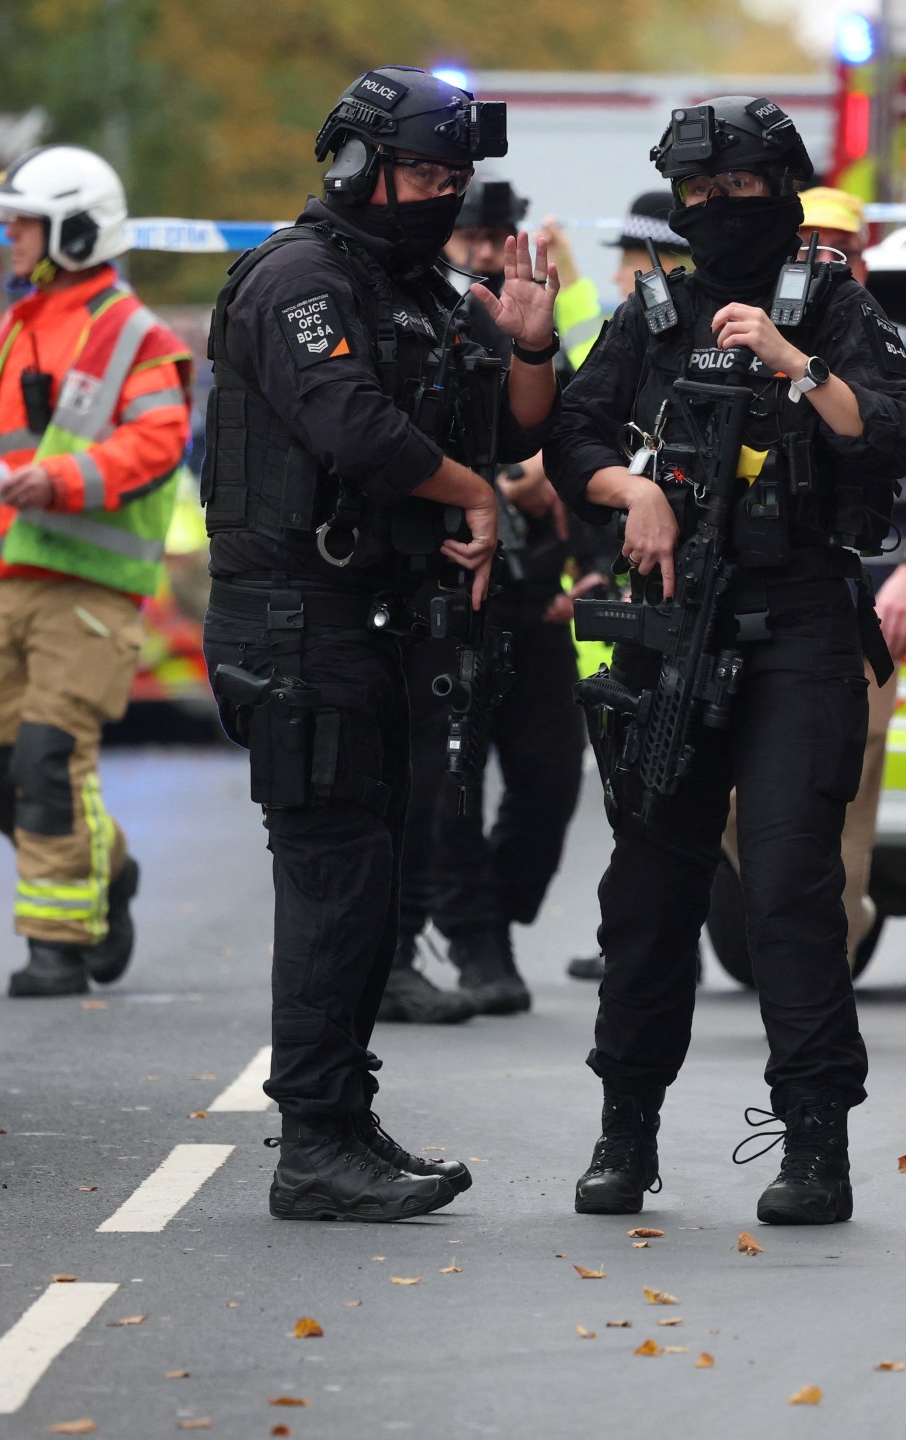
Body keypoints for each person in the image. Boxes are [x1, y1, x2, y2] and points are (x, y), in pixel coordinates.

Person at [544, 95, 906, 1224]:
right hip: (671, 624)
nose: (715, 212)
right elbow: (571, 433)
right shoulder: (653, 315)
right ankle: (626, 1134)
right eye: (696, 195)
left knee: (792, 890)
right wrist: (634, 492)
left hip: (800, 625)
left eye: (737, 193)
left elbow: (899, 431)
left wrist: (793, 361)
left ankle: (815, 1145)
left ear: (786, 192)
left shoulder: (836, 308)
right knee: (649, 894)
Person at [198, 67, 557, 1221]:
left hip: (379, 621)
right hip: (294, 615)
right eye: (424, 174)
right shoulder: (301, 281)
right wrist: (477, 494)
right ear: (357, 165)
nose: (441, 198)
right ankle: (313, 1145)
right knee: (333, 881)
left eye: (456, 180)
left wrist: (534, 346)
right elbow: (353, 428)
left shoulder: (425, 292)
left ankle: (344, 1120)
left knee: (369, 881)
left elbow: (510, 420)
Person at [0, 145, 189, 999]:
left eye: (22, 222)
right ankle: (113, 872)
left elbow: (155, 442)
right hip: (9, 579)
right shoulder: (25, 319)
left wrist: (57, 480)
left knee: (50, 758)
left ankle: (57, 941)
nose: (9, 236)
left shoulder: (135, 335)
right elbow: (7, 446)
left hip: (89, 590)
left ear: (75, 231)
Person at [719, 185, 906, 970]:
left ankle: (820, 960)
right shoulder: (732, 336)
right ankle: (821, 919)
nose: (814, 258)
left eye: (835, 245)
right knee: (729, 792)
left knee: (844, 797)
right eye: (802, 240)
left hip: (862, 603)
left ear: (863, 258)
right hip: (746, 598)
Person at [380, 174, 602, 1023]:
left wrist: (588, 565)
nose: (482, 248)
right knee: (446, 783)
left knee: (548, 780)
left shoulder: (529, 326)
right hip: (449, 588)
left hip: (534, 597)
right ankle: (470, 946)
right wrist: (505, 485)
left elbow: (576, 440)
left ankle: (489, 919)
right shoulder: (417, 317)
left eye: (496, 234)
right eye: (471, 234)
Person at [565, 192, 691, 984]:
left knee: (668, 788)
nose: (619, 272)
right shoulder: (627, 333)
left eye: (631, 256)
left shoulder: (675, 337)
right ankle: (642, 940)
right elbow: (581, 453)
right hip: (628, 594)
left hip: (679, 601)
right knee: (634, 782)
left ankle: (661, 940)